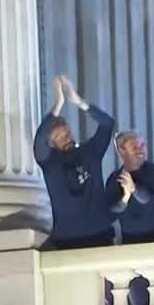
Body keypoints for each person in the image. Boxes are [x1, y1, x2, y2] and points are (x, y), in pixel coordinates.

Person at [33, 76, 115, 250]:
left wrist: (78, 101)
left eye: (67, 133)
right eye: (60, 137)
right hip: (67, 240)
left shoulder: (90, 153)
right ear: (51, 144)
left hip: (101, 234)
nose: (67, 137)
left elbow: (107, 124)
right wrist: (58, 103)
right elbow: (39, 141)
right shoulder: (50, 164)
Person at [106, 131, 154, 245]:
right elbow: (113, 212)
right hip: (132, 240)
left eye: (142, 145)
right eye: (134, 147)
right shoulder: (114, 178)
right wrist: (125, 197)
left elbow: (149, 200)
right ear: (122, 150)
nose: (140, 150)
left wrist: (133, 189)